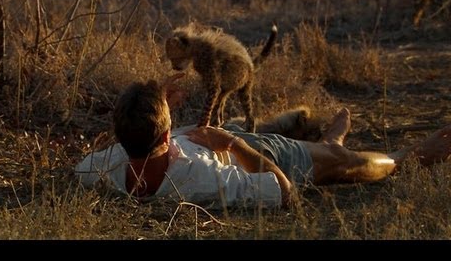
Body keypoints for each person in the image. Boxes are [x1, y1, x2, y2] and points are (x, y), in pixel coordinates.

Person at [75, 74, 451, 209]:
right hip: (259, 156)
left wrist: (156, 107)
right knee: (344, 161)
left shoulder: (103, 166)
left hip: (203, 137)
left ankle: (325, 140)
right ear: (165, 133)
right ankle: (408, 155)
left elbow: (90, 162)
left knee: (264, 129)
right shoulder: (203, 179)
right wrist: (233, 145)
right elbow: (285, 193)